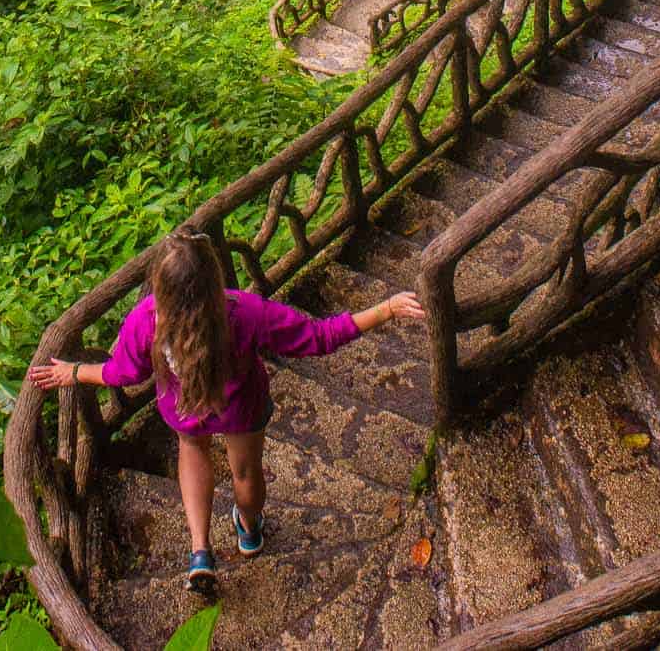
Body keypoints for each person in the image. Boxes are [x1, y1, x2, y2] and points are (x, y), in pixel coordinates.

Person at [26, 231, 426, 595]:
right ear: (213, 280)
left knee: (192, 449)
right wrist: (386, 308)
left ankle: (200, 551)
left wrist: (73, 372)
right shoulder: (246, 312)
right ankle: (249, 531)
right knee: (246, 473)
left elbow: (122, 373)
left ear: (160, 289)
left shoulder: (145, 321)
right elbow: (319, 338)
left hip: (183, 412)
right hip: (240, 408)